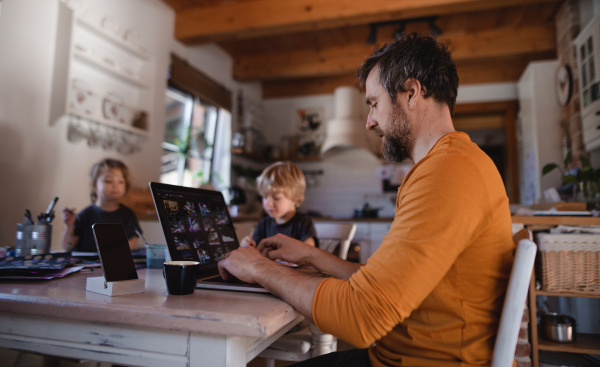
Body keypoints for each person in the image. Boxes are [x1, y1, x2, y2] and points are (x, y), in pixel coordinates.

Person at [218, 32, 514, 366]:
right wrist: (313, 256)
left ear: (412, 93)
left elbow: (362, 317)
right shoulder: (450, 164)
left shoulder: (449, 171)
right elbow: (383, 285)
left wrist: (258, 268)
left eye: (374, 104)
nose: (370, 121)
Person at [62, 158, 141, 252]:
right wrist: (69, 226)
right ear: (94, 185)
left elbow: (132, 241)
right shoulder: (85, 215)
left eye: (120, 181)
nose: (115, 185)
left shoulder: (128, 215)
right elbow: (67, 247)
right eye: (108, 181)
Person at [240, 161, 317, 248]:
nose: (268, 203)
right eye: (265, 197)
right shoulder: (263, 224)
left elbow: (309, 251)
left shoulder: (303, 223)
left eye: (276, 198)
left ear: (295, 197)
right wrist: (247, 245)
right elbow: (253, 250)